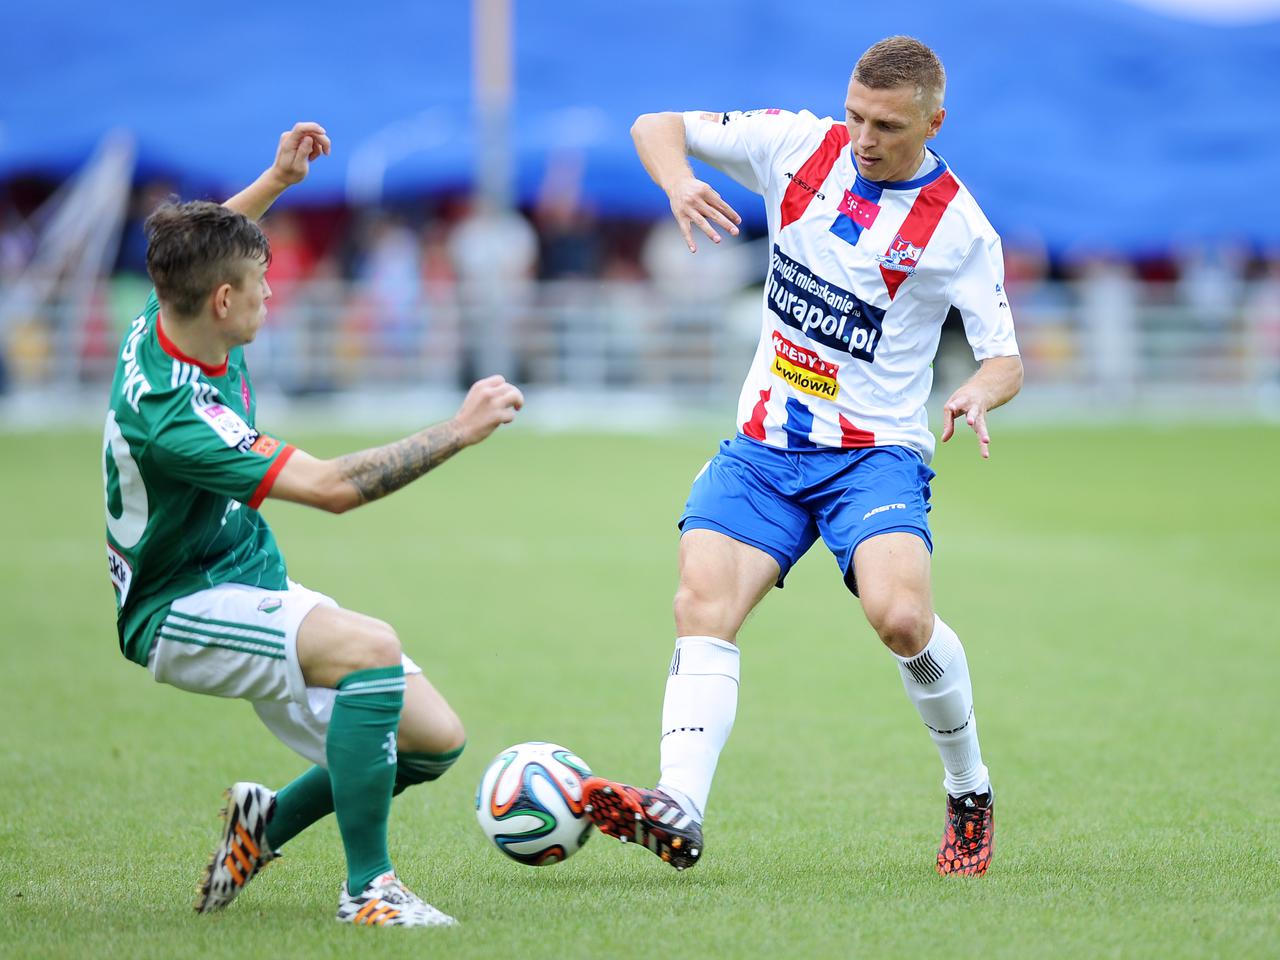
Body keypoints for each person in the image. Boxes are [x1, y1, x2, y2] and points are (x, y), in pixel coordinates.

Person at [580, 36, 1023, 878]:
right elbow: (654, 123)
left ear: (934, 121)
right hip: (764, 449)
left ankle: (969, 788)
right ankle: (679, 806)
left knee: (900, 620)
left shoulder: (960, 228)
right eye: (855, 114)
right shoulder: (796, 144)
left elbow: (1005, 356)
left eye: (886, 126)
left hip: (874, 455)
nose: (862, 137)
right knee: (700, 604)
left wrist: (977, 393)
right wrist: (679, 182)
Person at [102, 122, 524, 926]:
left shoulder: (176, 307)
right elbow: (331, 488)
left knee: (433, 739)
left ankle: (263, 828)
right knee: (372, 648)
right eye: (261, 282)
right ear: (223, 302)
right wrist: (458, 430)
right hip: (178, 609)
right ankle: (369, 890)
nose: (273, 291)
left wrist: (274, 181)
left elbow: (195, 252)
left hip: (240, 573)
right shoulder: (175, 414)